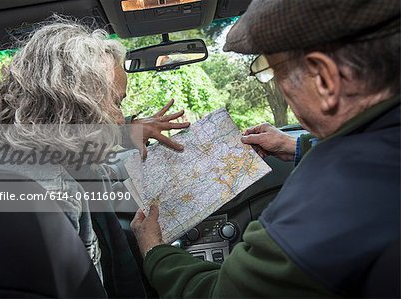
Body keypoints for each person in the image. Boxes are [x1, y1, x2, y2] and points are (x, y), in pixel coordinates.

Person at [131, 0, 400, 297]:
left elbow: (219, 294)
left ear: (324, 79)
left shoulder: (324, 205)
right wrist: (296, 145)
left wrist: (155, 252)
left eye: (273, 71)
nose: (279, 88)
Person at [0, 17, 189, 297]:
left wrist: (129, 132)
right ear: (78, 102)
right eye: (116, 103)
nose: (118, 117)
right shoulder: (55, 191)